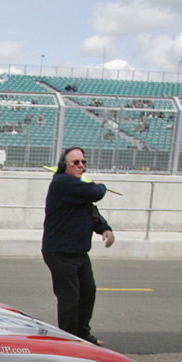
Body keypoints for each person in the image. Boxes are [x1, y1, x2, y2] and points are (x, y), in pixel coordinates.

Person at [42, 147, 115, 346]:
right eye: (76, 162)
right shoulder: (62, 183)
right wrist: (101, 186)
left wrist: (105, 229)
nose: (81, 165)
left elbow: (92, 211)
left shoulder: (78, 188)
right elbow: (96, 193)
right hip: (60, 252)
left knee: (88, 292)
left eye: (83, 162)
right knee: (70, 298)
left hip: (79, 252)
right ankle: (68, 341)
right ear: (65, 165)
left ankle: (83, 335)